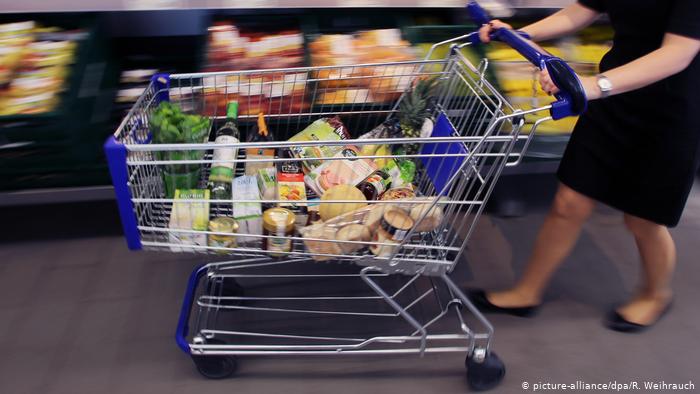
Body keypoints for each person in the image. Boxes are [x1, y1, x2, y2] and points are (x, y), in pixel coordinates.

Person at [468, 0, 700, 332]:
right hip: (613, 94)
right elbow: (578, 13)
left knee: (642, 220)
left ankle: (655, 294)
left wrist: (593, 86)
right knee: (568, 201)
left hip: (670, 108)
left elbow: (677, 53)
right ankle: (526, 291)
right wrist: (519, 33)